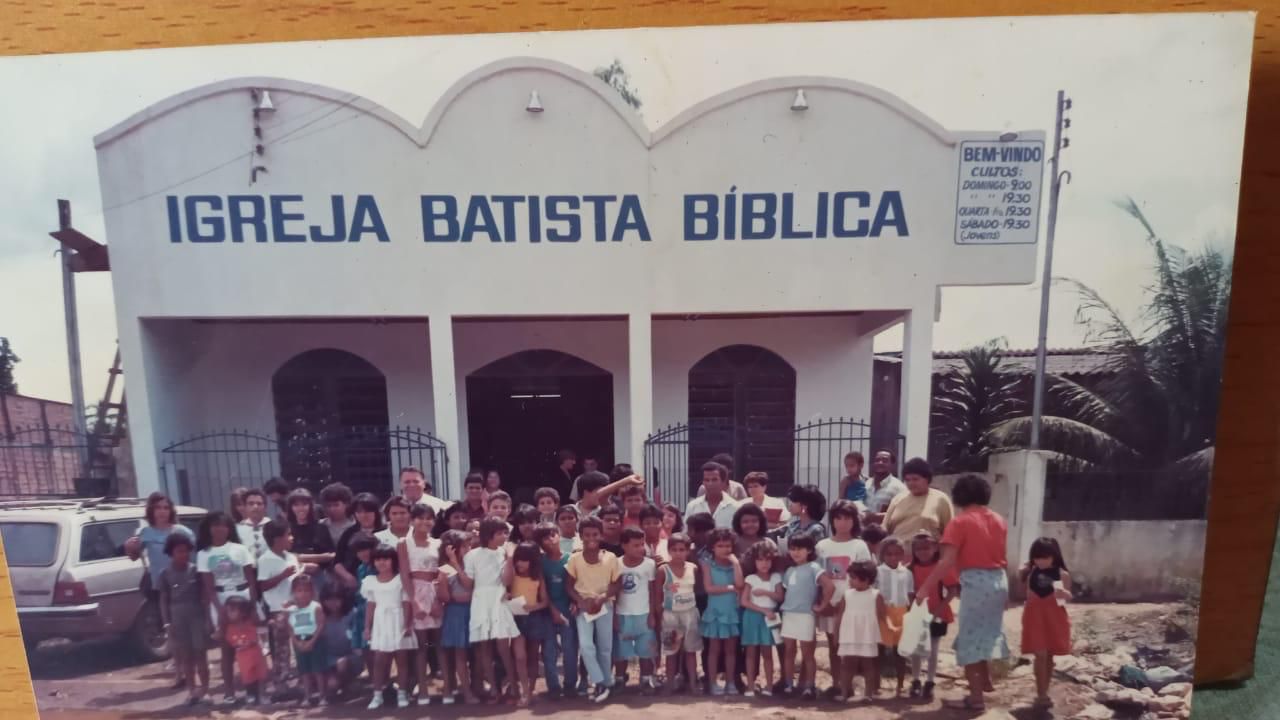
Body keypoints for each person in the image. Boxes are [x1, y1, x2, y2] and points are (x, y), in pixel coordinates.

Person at [915, 473, 1011, 712]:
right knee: (987, 633)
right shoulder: (998, 519)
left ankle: (975, 699)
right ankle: (985, 680)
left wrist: (926, 587)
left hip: (976, 582)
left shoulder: (960, 522)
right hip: (999, 580)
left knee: (969, 639)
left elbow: (946, 562)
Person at [124, 492, 195, 687]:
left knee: (186, 630)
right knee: (170, 630)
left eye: (166, 507)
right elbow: (133, 555)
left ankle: (190, 670)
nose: (162, 512)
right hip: (160, 587)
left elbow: (193, 556)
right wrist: (129, 547)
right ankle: (180, 672)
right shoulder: (145, 533)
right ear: (151, 511)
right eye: (158, 508)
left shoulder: (181, 531)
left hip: (182, 585)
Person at [196, 511, 257, 704]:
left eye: (223, 525)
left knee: (249, 647)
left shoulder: (240, 549)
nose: (219, 529)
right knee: (227, 649)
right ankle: (229, 691)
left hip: (243, 596)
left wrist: (253, 605)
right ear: (209, 528)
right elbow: (208, 586)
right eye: (215, 525)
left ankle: (251, 690)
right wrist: (219, 609)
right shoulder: (204, 554)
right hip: (221, 598)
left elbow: (251, 579)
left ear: (229, 528)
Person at [460, 517, 522, 704]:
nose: (504, 537)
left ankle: (513, 686)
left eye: (505, 533)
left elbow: (506, 581)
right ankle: (494, 689)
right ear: (489, 535)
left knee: (504, 647)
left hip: (499, 601)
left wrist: (510, 558)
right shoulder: (471, 555)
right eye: (500, 533)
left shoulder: (504, 553)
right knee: (484, 648)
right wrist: (456, 564)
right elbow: (469, 583)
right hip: (480, 602)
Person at [816, 499, 872, 695]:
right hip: (828, 604)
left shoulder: (859, 545)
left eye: (847, 518)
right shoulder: (822, 545)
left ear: (854, 520)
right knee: (832, 645)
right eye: (838, 518)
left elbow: (867, 576)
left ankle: (850, 686)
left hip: (851, 606)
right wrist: (824, 603)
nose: (842, 522)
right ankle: (836, 683)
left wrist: (845, 604)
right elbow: (818, 576)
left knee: (847, 647)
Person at [566, 515, 622, 704]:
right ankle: (599, 681)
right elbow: (569, 586)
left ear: (601, 536)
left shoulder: (610, 557)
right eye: (587, 534)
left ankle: (605, 681)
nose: (591, 538)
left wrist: (602, 597)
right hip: (584, 607)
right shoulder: (574, 559)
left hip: (604, 606)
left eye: (595, 534)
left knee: (605, 647)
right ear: (580, 536)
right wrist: (580, 601)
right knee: (586, 646)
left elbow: (616, 583)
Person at [256, 520, 310, 701]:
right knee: (281, 650)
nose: (291, 538)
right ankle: (281, 687)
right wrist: (282, 576)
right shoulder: (265, 559)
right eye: (288, 534)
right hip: (278, 610)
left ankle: (304, 683)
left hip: (297, 609)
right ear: (277, 539)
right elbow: (262, 585)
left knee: (300, 646)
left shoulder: (290, 557)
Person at [1019, 537, 1074, 710]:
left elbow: (1063, 601)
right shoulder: (1031, 573)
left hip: (1054, 619)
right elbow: (1029, 596)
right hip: (1034, 618)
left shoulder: (1062, 574)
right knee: (1040, 654)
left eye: (1045, 557)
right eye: (1037, 557)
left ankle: (1044, 690)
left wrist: (1064, 595)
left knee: (1049, 655)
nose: (1041, 561)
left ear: (1054, 556)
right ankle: (1041, 694)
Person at [362, 544, 416, 709]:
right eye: (378, 559)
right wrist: (367, 627)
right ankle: (377, 695)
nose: (382, 562)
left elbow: (406, 603)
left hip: (398, 620)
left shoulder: (401, 580)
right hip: (380, 623)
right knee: (379, 660)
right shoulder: (370, 581)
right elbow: (371, 605)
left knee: (402, 661)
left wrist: (407, 624)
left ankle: (402, 693)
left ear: (393, 560)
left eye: (386, 558)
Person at [158, 532, 209, 705]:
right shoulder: (165, 574)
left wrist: (208, 619)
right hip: (177, 616)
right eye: (179, 551)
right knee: (186, 656)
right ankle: (191, 691)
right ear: (171, 552)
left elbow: (204, 596)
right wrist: (166, 622)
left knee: (201, 654)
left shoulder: (195, 570)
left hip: (196, 614)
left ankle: (205, 691)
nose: (183, 555)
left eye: (186, 551)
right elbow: (164, 599)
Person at [907, 530, 958, 701]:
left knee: (933, 649)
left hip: (938, 613)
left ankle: (929, 682)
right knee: (916, 649)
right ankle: (915, 680)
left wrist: (937, 612)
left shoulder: (942, 567)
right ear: (913, 551)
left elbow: (953, 590)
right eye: (918, 549)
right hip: (916, 614)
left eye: (926, 548)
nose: (923, 552)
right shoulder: (910, 569)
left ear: (935, 548)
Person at [398, 503, 441, 705]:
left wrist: (438, 600)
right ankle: (422, 688)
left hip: (435, 594)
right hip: (415, 593)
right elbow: (405, 575)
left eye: (429, 518)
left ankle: (448, 689)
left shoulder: (438, 543)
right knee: (421, 646)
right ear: (412, 520)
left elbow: (441, 573)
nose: (425, 522)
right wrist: (414, 602)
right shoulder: (403, 543)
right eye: (420, 518)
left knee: (439, 644)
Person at [613, 527, 661, 693]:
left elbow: (652, 590)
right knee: (621, 650)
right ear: (624, 546)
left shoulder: (649, 565)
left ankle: (646, 679)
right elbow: (614, 592)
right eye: (636, 545)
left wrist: (652, 614)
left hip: (644, 615)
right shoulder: (615, 564)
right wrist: (614, 616)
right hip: (622, 614)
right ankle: (619, 679)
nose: (641, 548)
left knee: (646, 649)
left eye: (642, 544)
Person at [534, 523, 578, 699]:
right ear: (540, 542)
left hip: (568, 610)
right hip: (547, 611)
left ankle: (570, 685)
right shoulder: (540, 562)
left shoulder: (571, 559)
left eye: (553, 534)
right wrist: (552, 610)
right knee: (549, 651)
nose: (551, 539)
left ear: (559, 535)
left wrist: (575, 602)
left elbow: (575, 585)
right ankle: (553, 686)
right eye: (545, 537)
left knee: (570, 649)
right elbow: (541, 590)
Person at [833, 561, 887, 704]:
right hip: (849, 634)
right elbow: (839, 616)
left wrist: (888, 630)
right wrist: (836, 634)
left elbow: (883, 615)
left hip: (867, 635)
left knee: (868, 664)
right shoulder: (847, 595)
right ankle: (845, 694)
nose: (850, 580)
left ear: (866, 579)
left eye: (853, 577)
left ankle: (868, 694)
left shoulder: (876, 595)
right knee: (847, 664)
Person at [779, 533, 823, 699]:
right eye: (792, 549)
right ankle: (789, 685)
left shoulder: (814, 568)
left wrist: (821, 605)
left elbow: (828, 586)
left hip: (806, 615)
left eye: (800, 549)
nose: (795, 552)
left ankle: (809, 686)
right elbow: (785, 592)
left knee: (808, 654)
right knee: (789, 651)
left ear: (809, 550)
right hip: (789, 614)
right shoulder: (789, 571)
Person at [437, 530, 478, 705]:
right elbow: (444, 597)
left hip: (474, 612)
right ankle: (466, 692)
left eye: (469, 545)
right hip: (456, 615)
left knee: (476, 654)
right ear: (452, 549)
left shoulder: (472, 565)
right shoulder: (444, 570)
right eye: (464, 546)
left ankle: (476, 687)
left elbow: (471, 585)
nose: (468, 549)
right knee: (460, 655)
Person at [701, 527, 742, 696]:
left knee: (731, 650)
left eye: (727, 545)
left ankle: (731, 682)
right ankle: (712, 683)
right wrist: (730, 588)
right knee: (714, 650)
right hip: (715, 613)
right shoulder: (707, 565)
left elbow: (740, 585)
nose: (725, 549)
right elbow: (709, 588)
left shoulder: (735, 564)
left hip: (732, 613)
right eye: (720, 545)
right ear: (712, 547)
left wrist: (736, 564)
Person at [659, 532, 701, 694]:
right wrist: (657, 615)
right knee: (671, 652)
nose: (678, 553)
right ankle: (669, 684)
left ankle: (692, 683)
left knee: (691, 651)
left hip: (690, 614)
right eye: (674, 549)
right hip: (670, 615)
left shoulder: (693, 568)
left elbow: (695, 590)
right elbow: (657, 595)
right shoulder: (663, 570)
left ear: (687, 551)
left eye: (682, 549)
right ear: (669, 550)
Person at [507, 542, 547, 707]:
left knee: (532, 656)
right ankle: (523, 690)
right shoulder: (512, 576)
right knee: (520, 657)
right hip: (516, 619)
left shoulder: (537, 577)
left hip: (534, 618)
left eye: (524, 560)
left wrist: (534, 606)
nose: (519, 563)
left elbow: (545, 601)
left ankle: (530, 690)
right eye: (518, 559)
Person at [740, 540, 782, 697]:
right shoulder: (750, 578)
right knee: (750, 652)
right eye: (760, 560)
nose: (764, 564)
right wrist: (762, 610)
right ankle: (750, 686)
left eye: (767, 560)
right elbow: (744, 601)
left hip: (770, 618)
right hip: (752, 617)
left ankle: (769, 686)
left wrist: (766, 593)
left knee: (768, 653)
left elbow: (779, 597)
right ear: (754, 561)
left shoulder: (776, 577)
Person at [883, 457, 954, 544]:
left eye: (915, 479)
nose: (911, 483)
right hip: (898, 553)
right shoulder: (898, 499)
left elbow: (950, 532)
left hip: (928, 553)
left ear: (927, 479)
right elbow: (885, 528)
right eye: (907, 480)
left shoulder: (941, 499)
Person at [876, 537, 913, 697]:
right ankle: (875, 684)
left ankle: (900, 685)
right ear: (883, 555)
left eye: (897, 554)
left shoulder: (906, 572)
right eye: (889, 554)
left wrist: (911, 614)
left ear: (903, 555)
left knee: (900, 651)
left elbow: (910, 594)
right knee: (880, 650)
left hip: (901, 612)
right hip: (883, 612)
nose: (893, 557)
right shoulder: (878, 572)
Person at [286, 574, 328, 706]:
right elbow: (290, 628)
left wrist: (312, 641)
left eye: (306, 590)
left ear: (312, 591)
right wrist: (296, 642)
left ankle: (322, 696)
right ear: (294, 592)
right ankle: (307, 696)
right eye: (299, 590)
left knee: (318, 670)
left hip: (315, 641)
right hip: (299, 642)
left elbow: (321, 625)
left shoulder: (316, 607)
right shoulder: (291, 610)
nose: (303, 594)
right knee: (304, 671)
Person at [286, 488, 336, 593]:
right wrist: (304, 564)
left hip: (319, 577)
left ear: (310, 506)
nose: (300, 508)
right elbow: (283, 556)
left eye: (304, 504)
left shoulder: (321, 528)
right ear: (291, 508)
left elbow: (331, 555)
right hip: (293, 577)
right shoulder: (286, 528)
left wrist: (299, 557)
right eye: (296, 505)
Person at [224, 596, 268, 705]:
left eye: (233, 611)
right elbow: (231, 640)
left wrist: (250, 642)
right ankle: (251, 695)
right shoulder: (230, 627)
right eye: (228, 611)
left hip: (256, 654)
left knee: (260, 675)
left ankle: (262, 695)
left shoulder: (250, 624)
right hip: (243, 657)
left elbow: (255, 636)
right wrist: (238, 644)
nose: (229, 613)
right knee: (248, 677)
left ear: (243, 613)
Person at [319, 585, 361, 700]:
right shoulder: (320, 616)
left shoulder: (352, 614)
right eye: (329, 599)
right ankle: (335, 685)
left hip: (350, 656)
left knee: (342, 663)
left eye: (337, 599)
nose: (333, 603)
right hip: (328, 658)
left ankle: (346, 685)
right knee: (331, 684)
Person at [334, 493, 385, 588]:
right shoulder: (349, 533)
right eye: (359, 512)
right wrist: (348, 577)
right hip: (354, 583)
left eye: (368, 511)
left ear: (376, 512)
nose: (363, 515)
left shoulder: (385, 531)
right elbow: (337, 562)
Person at [772, 484, 828, 561]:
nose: (790, 505)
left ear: (804, 506)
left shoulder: (816, 529)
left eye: (794, 502)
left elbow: (820, 554)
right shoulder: (793, 525)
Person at [685, 462, 742, 529]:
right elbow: (686, 533)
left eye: (714, 480)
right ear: (703, 482)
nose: (710, 484)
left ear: (723, 482)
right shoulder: (692, 506)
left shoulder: (736, 507)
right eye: (707, 480)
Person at [864, 449, 907, 523]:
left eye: (885, 460)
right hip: (863, 531)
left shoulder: (899, 488)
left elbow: (902, 514)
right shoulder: (866, 484)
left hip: (885, 532)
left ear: (892, 465)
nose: (880, 463)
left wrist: (878, 517)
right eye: (877, 460)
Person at [237, 489, 273, 559]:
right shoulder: (237, 529)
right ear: (245, 507)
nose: (255, 507)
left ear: (265, 507)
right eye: (251, 503)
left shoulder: (274, 527)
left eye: (259, 504)